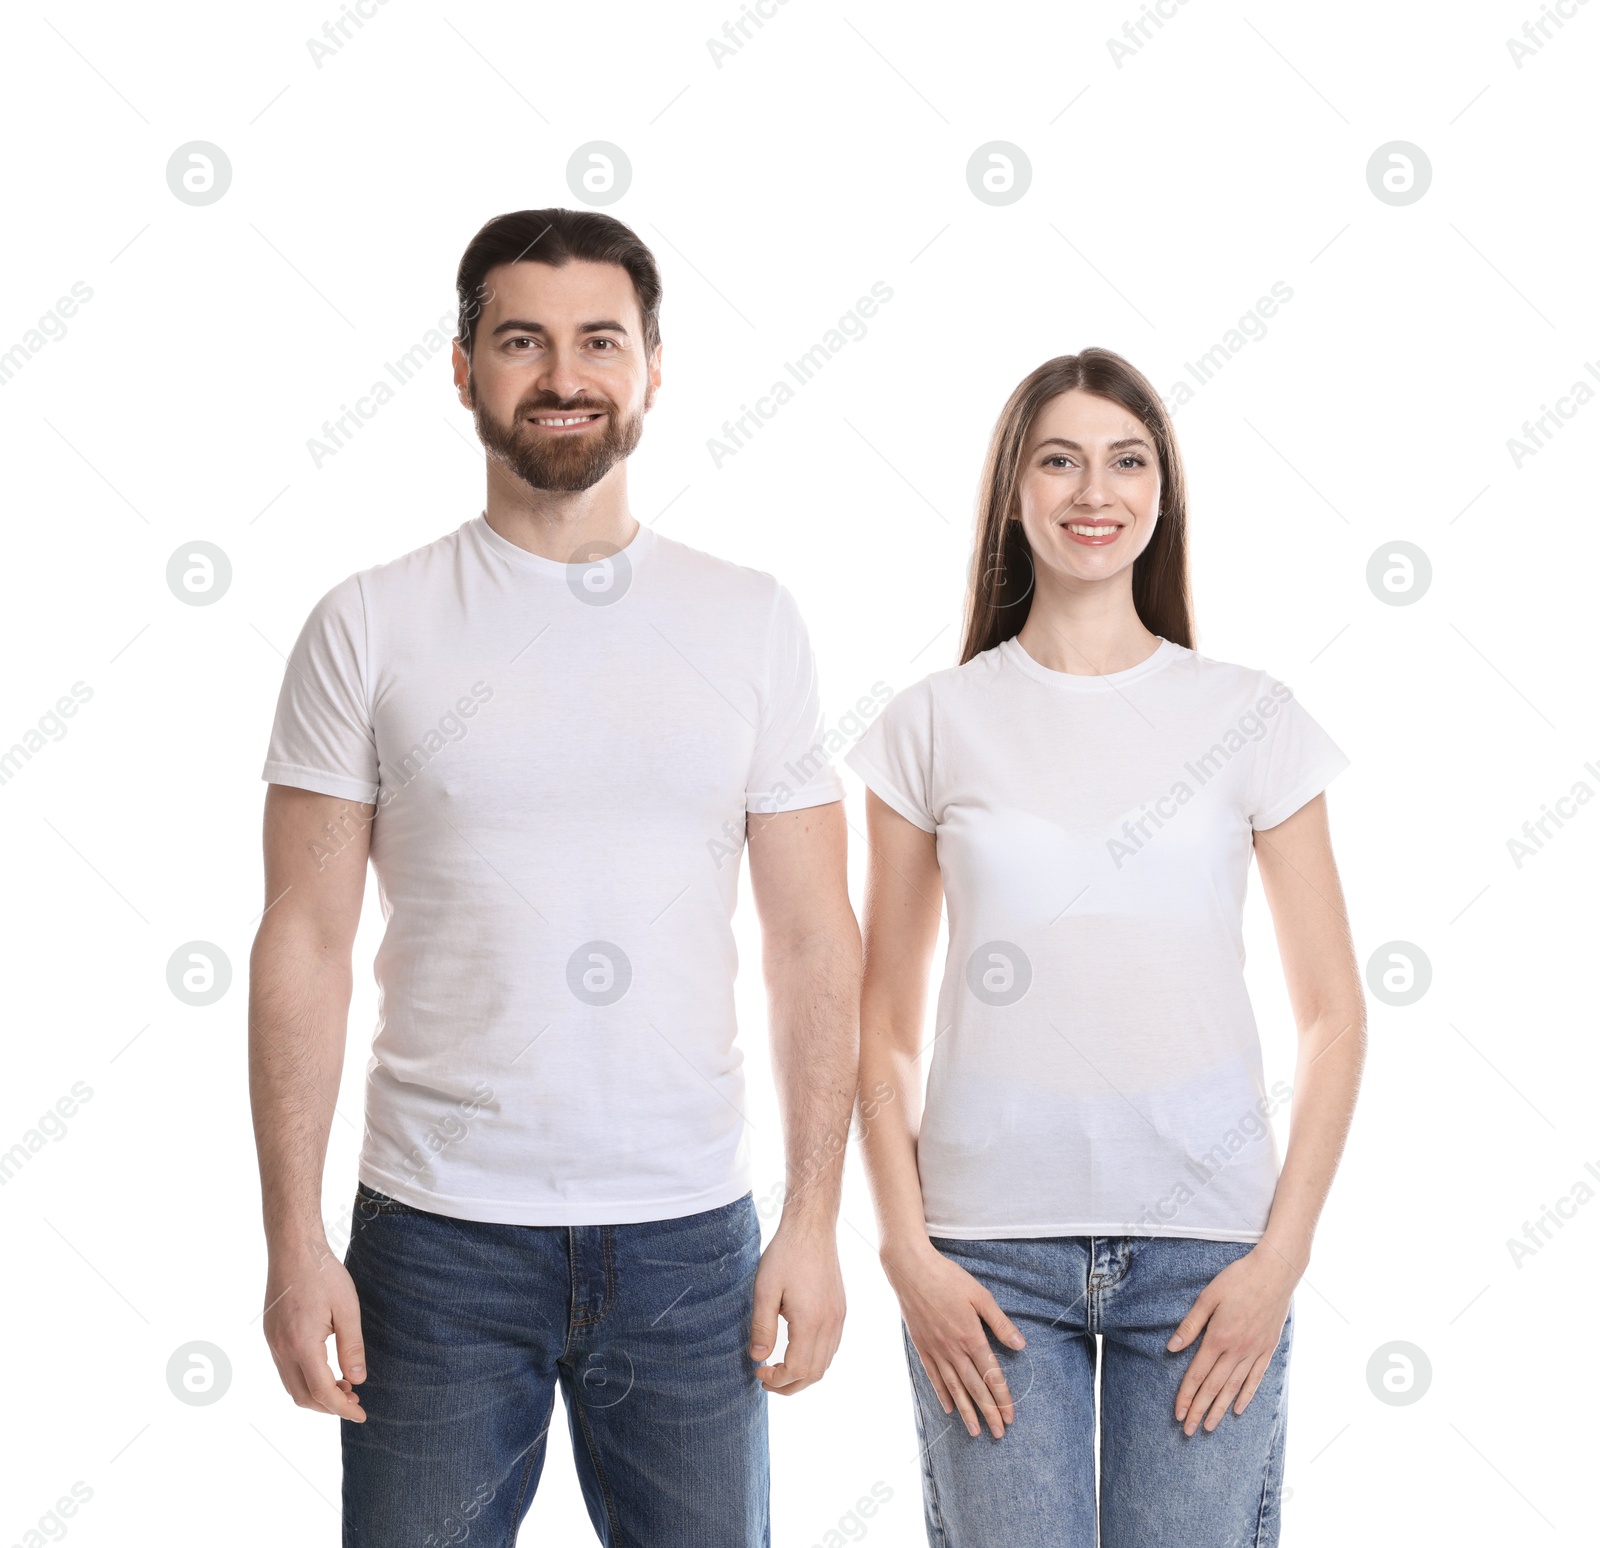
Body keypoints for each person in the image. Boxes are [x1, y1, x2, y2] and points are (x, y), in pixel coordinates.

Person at [248, 208, 860, 1548]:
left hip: (692, 1241)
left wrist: (815, 1220)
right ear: (464, 368)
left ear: (652, 369)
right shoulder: (368, 624)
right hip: (436, 1241)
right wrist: (295, 1242)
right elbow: (303, 939)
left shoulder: (748, 620)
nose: (563, 374)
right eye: (522, 340)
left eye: (600, 340)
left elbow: (818, 940)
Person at [846, 348, 1365, 1547]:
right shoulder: (934, 724)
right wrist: (903, 1250)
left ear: (1162, 492)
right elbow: (877, 1021)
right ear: (1014, 493)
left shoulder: (1251, 717)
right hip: (988, 1264)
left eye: (1128, 461)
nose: (1097, 491)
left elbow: (1334, 1014)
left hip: (1208, 1264)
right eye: (1061, 459)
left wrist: (1280, 1258)